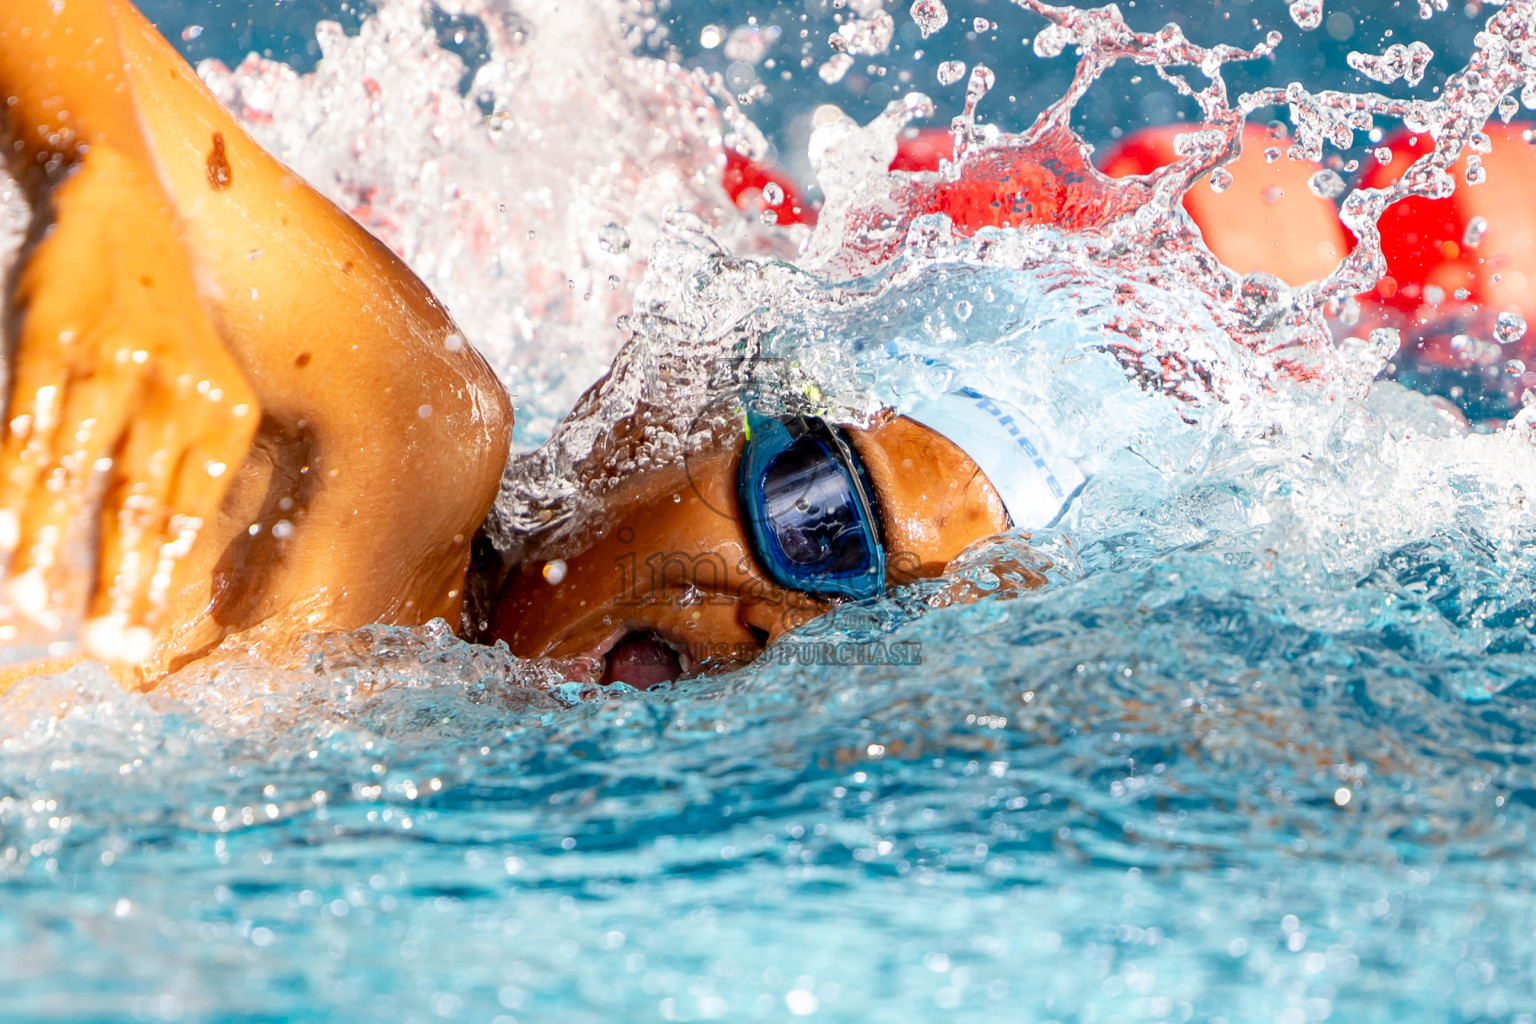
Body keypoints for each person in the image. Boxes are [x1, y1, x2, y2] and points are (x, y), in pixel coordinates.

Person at [2, 0, 1494, 693]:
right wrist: (113, 190)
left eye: (899, 621)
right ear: (668, 401)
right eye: (824, 521)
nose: (794, 627)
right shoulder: (399, 442)